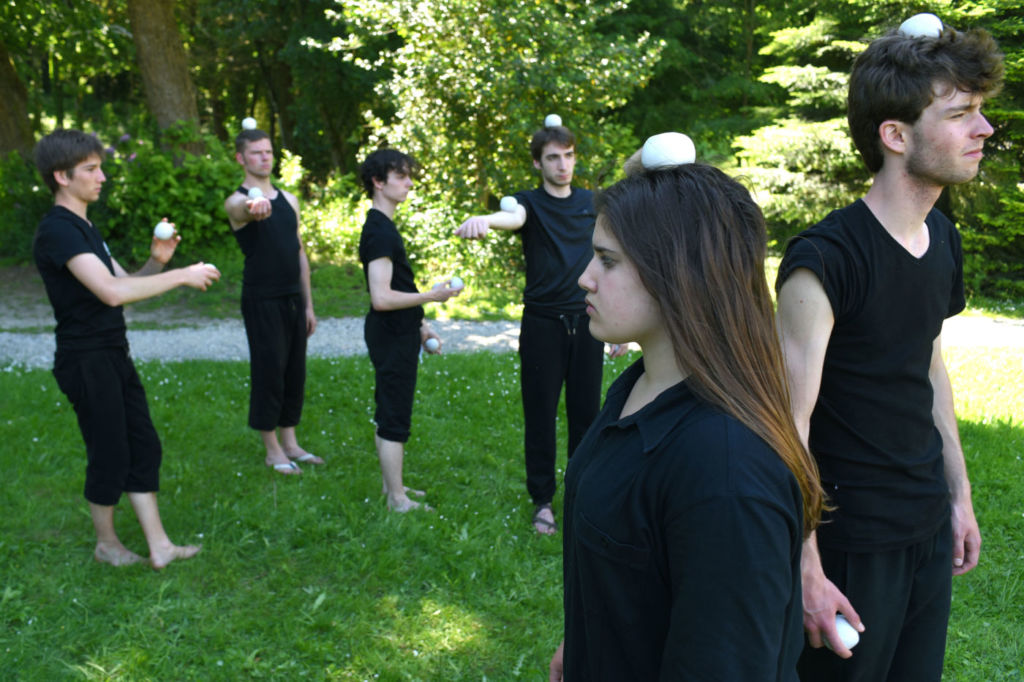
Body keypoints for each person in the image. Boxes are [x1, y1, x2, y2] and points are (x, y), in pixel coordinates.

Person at [774, 17, 1004, 681]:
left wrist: (958, 497)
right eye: (961, 114)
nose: (983, 130)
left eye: (980, 112)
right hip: (851, 544)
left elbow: (927, 364)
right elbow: (788, 425)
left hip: (926, 527)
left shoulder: (942, 240)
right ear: (896, 135)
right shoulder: (823, 262)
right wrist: (807, 566)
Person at [548, 134, 824, 680]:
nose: (585, 277)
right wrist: (583, 644)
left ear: (678, 272)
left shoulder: (724, 470)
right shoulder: (636, 389)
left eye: (607, 261)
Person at [32, 128, 221, 569]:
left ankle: (159, 547)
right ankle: (107, 545)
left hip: (111, 352)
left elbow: (125, 282)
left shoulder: (83, 227)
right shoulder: (57, 231)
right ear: (62, 176)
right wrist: (181, 276)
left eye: (100, 168)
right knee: (109, 449)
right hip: (85, 359)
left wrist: (158, 262)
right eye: (91, 170)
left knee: (141, 442)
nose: (101, 177)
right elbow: (110, 293)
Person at [456, 117, 625, 535]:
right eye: (553, 158)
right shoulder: (525, 202)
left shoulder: (593, 203)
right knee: (541, 415)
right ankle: (542, 502)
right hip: (542, 326)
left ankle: (582, 495)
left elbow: (612, 261)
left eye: (568, 156)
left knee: (587, 415)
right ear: (538, 163)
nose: (562, 165)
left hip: (586, 321)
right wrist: (486, 220)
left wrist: (620, 326)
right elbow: (511, 218)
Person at [358, 148, 461, 512]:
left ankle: (393, 488)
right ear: (378, 182)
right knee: (393, 415)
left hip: (398, 331)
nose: (409, 183)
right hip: (388, 335)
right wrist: (434, 295)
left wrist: (420, 324)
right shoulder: (379, 232)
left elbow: (396, 286)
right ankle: (397, 500)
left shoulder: (382, 227)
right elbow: (382, 297)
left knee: (390, 410)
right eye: (401, 176)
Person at [224, 125, 321, 475]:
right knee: (269, 372)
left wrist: (308, 305)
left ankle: (291, 442)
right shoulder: (237, 200)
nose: (264, 157)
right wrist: (254, 205)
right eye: (256, 153)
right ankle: (271, 450)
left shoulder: (290, 200)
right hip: (261, 298)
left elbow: (299, 253)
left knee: (294, 370)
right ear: (241, 158)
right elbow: (241, 210)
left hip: (293, 298)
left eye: (268, 151)